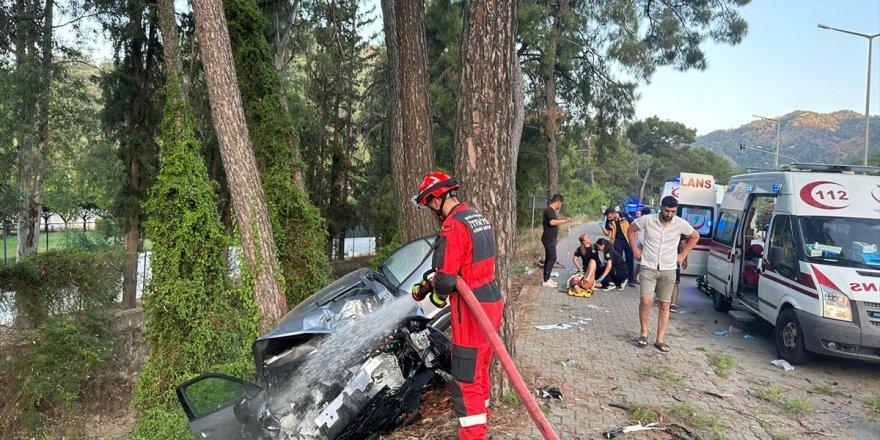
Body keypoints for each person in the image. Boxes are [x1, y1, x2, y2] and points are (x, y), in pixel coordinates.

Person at [410, 171, 502, 440]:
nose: (430, 210)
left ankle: (473, 436)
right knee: (481, 368)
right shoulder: (477, 219)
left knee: (466, 378)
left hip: (471, 311)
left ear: (436, 199)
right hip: (491, 302)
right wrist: (432, 282)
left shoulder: (453, 226)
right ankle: (481, 430)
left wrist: (433, 293)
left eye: (429, 204)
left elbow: (447, 278)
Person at [627, 196, 699, 353]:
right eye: (667, 210)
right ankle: (644, 333)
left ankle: (660, 339)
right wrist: (635, 250)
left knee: (664, 304)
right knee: (646, 300)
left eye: (673, 211)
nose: (670, 214)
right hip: (648, 265)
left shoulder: (680, 223)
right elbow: (631, 230)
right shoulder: (647, 220)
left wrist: (682, 255)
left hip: (668, 268)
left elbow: (695, 236)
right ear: (661, 207)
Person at [541, 194, 572, 288]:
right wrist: (565, 221)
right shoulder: (549, 210)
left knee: (549, 258)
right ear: (558, 202)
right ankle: (546, 280)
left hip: (551, 238)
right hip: (548, 238)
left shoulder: (552, 211)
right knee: (552, 258)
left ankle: (547, 278)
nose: (560, 206)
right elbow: (552, 222)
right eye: (561, 203)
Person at [601, 208, 636, 287]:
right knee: (617, 261)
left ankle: (631, 279)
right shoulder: (609, 220)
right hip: (617, 241)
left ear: (614, 213)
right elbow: (607, 233)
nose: (609, 219)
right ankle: (618, 279)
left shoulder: (625, 215)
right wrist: (602, 227)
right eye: (608, 217)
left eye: (610, 217)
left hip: (628, 240)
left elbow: (635, 226)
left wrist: (634, 238)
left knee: (629, 260)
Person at [669, 235, 689, 313]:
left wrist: (684, 259)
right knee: (674, 282)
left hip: (674, 259)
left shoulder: (680, 230)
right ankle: (672, 304)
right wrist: (685, 259)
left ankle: (672, 303)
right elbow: (684, 246)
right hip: (674, 258)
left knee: (674, 282)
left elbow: (683, 246)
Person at [632, 207, 652, 284]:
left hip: (637, 242)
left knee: (638, 262)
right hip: (645, 243)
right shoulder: (649, 221)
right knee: (643, 262)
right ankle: (637, 278)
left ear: (641, 213)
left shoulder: (637, 220)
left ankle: (634, 277)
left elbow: (632, 231)